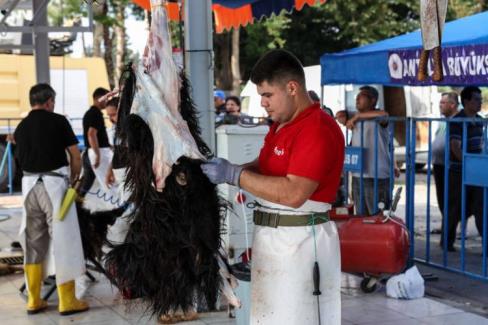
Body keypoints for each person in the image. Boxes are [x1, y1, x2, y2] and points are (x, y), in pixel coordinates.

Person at [201, 49, 344, 325]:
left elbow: (293, 194)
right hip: (273, 240)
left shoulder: (316, 128)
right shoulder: (281, 125)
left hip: (302, 242)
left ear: (292, 87)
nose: (263, 103)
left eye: (267, 95)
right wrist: (236, 168)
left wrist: (233, 175)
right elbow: (266, 165)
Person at [13, 83, 88, 315]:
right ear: (49, 102)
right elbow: (76, 155)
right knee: (64, 239)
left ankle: (34, 300)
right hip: (54, 186)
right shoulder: (58, 121)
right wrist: (76, 178)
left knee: (33, 242)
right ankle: (67, 301)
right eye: (53, 102)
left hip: (29, 188)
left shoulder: (21, 126)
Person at [336, 86, 399, 215]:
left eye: (362, 95)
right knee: (361, 217)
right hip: (358, 176)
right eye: (357, 96)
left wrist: (357, 117)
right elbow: (340, 115)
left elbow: (384, 115)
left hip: (377, 176)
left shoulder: (379, 117)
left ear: (373, 100)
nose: (357, 98)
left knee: (378, 218)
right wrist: (348, 116)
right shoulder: (355, 116)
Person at [442, 86, 485, 251]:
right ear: (466, 101)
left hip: (476, 171)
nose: (480, 103)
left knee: (481, 207)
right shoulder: (458, 121)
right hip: (458, 172)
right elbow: (455, 147)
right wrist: (469, 164)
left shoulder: (480, 120)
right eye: (476, 99)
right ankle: (447, 243)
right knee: (454, 208)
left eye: (481, 100)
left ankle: (486, 246)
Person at [431, 92, 458, 233]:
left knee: (451, 199)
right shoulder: (443, 120)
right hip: (439, 164)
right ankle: (446, 226)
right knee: (441, 198)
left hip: (450, 165)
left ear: (452, 105)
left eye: (443, 103)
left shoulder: (458, 120)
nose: (439, 105)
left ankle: (450, 230)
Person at [80, 87, 111, 195]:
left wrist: (109, 145)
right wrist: (98, 154)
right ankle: (117, 208)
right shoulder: (95, 114)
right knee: (108, 182)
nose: (108, 101)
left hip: (91, 152)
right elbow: (91, 134)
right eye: (107, 98)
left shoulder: (90, 113)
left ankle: (78, 204)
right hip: (98, 152)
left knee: (87, 183)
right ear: (99, 98)